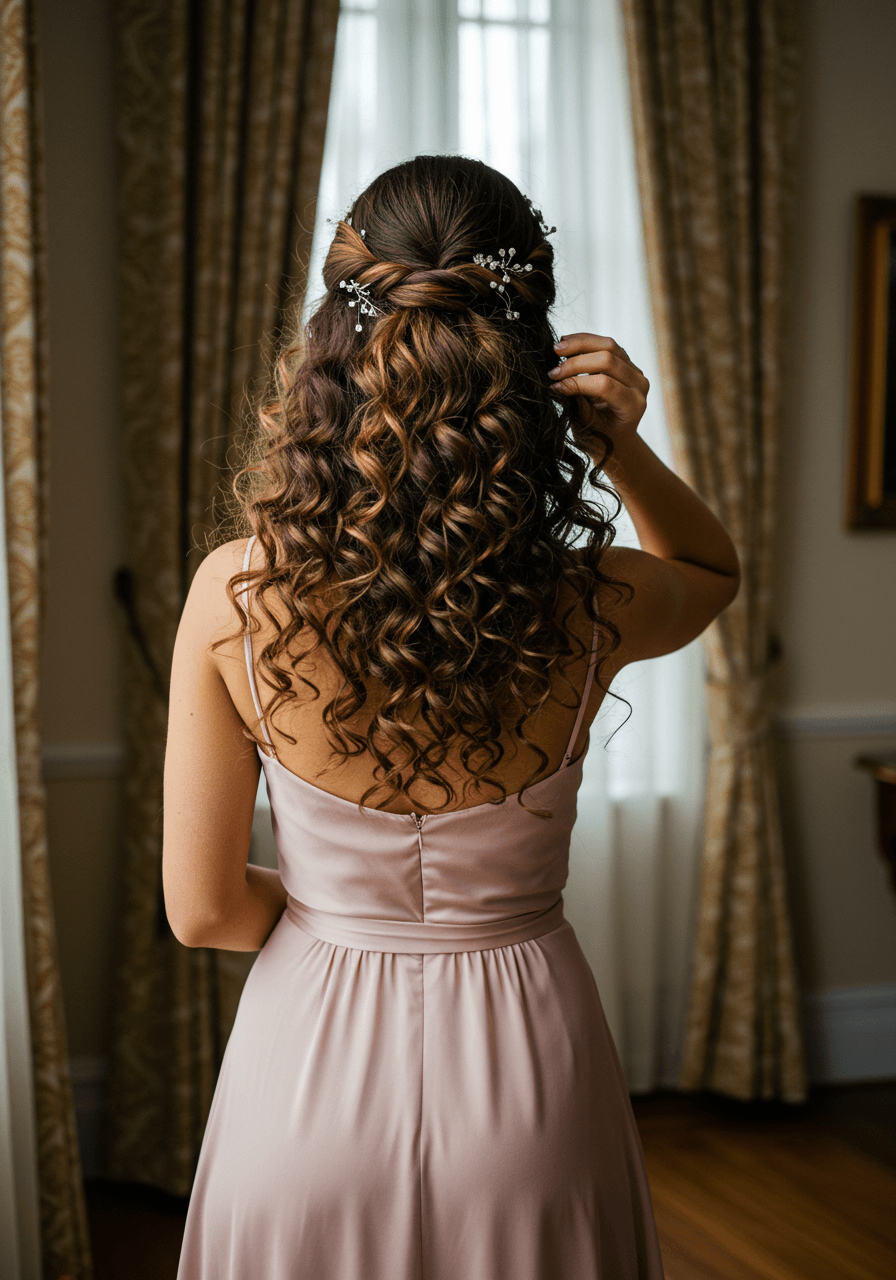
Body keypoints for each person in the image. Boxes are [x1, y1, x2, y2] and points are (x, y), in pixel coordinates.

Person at [163, 154, 739, 1279]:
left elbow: (204, 911)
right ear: (528, 361)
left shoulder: (233, 594)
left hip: (305, 1076)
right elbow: (711, 570)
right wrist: (613, 437)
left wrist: (346, 916)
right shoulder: (590, 598)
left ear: (333, 344)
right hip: (531, 1073)